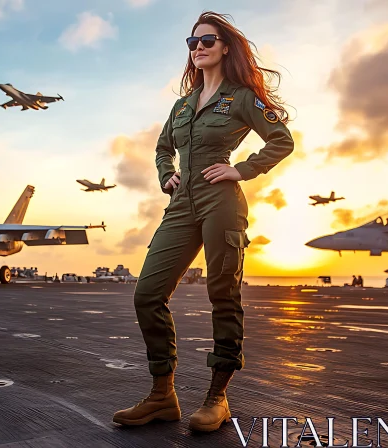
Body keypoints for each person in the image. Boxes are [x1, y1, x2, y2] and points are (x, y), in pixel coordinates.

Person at [112, 11, 294, 433]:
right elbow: (162, 149)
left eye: (207, 41)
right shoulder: (181, 105)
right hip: (181, 204)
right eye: (192, 42)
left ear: (225, 47)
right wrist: (165, 175)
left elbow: (282, 140)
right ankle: (162, 396)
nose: (198, 47)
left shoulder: (242, 97)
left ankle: (217, 398)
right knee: (147, 294)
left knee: (222, 294)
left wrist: (241, 170)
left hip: (221, 202)